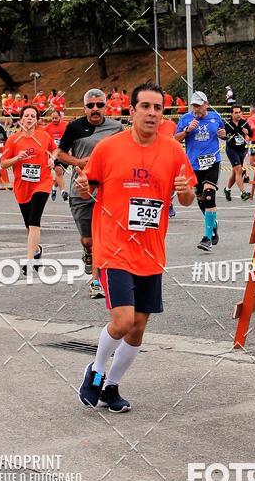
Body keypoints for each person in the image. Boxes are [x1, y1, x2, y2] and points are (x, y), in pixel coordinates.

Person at [75, 82, 196, 411]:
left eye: (158, 108)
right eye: (146, 107)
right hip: (114, 250)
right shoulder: (108, 148)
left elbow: (186, 199)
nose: (152, 113)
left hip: (151, 252)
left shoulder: (173, 151)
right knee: (124, 320)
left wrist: (185, 190)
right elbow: (88, 189)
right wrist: (83, 185)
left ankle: (111, 387)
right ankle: (96, 371)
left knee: (138, 329)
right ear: (132, 111)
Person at [56, 89, 122, 298]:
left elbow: (124, 154)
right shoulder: (74, 127)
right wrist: (78, 162)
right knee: (88, 239)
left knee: (102, 237)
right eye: (91, 105)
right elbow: (60, 153)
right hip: (81, 190)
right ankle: (87, 252)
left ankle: (96, 281)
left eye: (100, 105)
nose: (95, 109)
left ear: (105, 106)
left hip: (107, 190)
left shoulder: (116, 127)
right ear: (84, 107)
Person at [0, 106, 54, 274]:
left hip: (42, 183)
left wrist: (53, 158)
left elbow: (54, 149)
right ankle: (36, 250)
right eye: (27, 116)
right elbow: (3, 163)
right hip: (22, 186)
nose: (30, 118)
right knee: (28, 224)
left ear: (37, 119)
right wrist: (17, 158)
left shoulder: (44, 136)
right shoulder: (13, 140)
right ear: (21, 119)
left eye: (33, 116)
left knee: (34, 221)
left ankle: (30, 261)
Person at [175, 91, 226, 252]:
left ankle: (207, 237)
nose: (196, 109)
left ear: (206, 104)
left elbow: (224, 133)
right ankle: (213, 224)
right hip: (193, 165)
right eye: (193, 105)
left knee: (209, 196)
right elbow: (175, 139)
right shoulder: (186, 119)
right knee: (201, 199)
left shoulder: (215, 117)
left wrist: (223, 135)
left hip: (212, 163)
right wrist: (187, 130)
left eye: (198, 105)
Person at [223, 105, 251, 201]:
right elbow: (224, 136)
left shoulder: (244, 123)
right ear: (231, 114)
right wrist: (228, 136)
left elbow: (251, 133)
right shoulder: (227, 124)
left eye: (240, 112)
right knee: (239, 170)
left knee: (235, 171)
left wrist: (247, 132)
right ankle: (243, 193)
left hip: (241, 149)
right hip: (231, 149)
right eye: (236, 112)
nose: (238, 114)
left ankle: (227, 189)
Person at [45, 109, 68, 200]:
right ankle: (63, 192)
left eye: (56, 118)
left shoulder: (66, 125)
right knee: (58, 171)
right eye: (52, 118)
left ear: (60, 117)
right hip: (54, 154)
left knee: (60, 175)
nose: (54, 120)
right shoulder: (47, 128)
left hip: (65, 154)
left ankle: (54, 188)